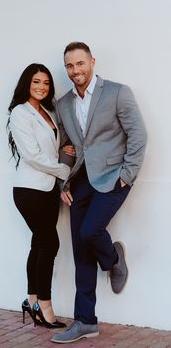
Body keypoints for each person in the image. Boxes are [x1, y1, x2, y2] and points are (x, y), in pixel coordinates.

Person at [51, 42, 147, 343]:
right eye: (69, 66)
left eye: (80, 63)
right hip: (80, 180)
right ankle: (85, 321)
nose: (75, 70)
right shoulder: (63, 103)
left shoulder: (118, 92)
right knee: (80, 249)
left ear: (91, 61)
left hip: (113, 177)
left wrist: (127, 174)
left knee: (92, 231)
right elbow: (66, 148)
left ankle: (113, 259)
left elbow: (138, 134)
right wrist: (63, 182)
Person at [7, 63, 75, 329]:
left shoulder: (47, 111)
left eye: (46, 83)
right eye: (37, 81)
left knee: (39, 243)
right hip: (30, 190)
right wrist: (63, 169)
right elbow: (32, 155)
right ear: (27, 83)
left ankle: (31, 300)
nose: (42, 87)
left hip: (48, 190)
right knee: (50, 244)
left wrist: (65, 149)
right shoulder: (20, 113)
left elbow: (51, 145)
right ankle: (45, 306)